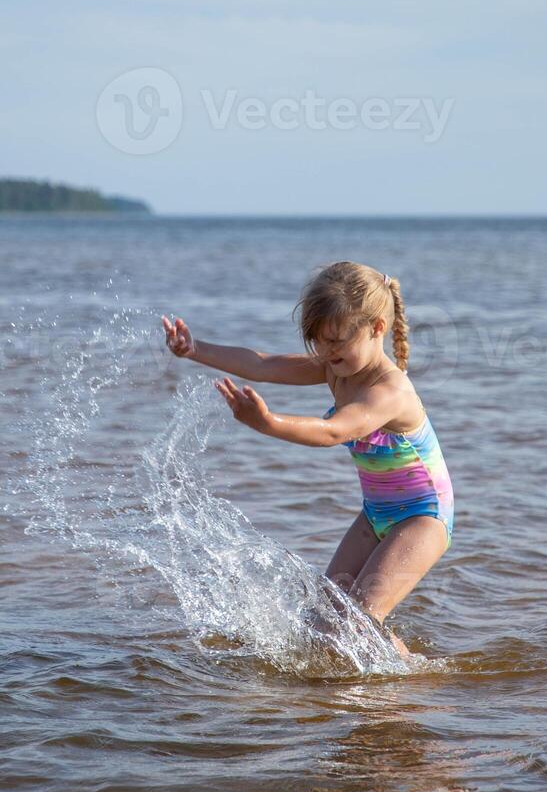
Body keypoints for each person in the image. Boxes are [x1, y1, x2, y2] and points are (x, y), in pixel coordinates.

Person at [162, 260, 454, 658]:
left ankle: (410, 684)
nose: (325, 352)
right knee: (321, 621)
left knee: (361, 619)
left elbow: (335, 430)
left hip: (422, 518)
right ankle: (366, 687)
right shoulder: (336, 369)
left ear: (376, 329)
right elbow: (263, 365)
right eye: (318, 341)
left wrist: (267, 423)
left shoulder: (390, 390)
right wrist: (196, 350)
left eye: (336, 341)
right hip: (376, 514)